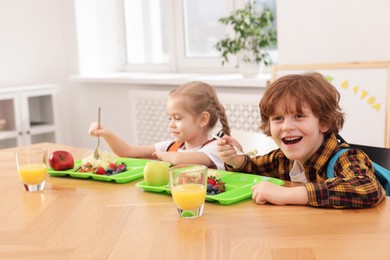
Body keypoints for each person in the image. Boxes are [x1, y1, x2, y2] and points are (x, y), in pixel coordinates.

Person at [217, 72, 385, 208]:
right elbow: (252, 168)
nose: (286, 126)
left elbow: (367, 189)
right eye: (278, 118)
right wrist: (236, 160)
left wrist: (287, 195)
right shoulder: (282, 159)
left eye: (299, 116)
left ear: (324, 122)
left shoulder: (346, 158)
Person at [89, 81, 230, 170]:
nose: (171, 125)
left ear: (203, 119)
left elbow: (180, 160)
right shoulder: (171, 147)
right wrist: (107, 134)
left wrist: (159, 156)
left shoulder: (216, 148)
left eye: (177, 118)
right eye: (169, 118)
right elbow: (129, 151)